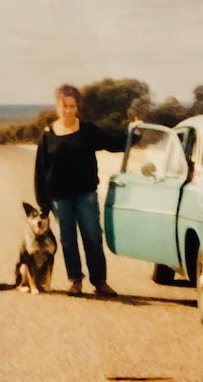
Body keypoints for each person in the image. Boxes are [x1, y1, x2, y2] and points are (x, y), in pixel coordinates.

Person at [34, 84, 136, 297]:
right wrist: (42, 202)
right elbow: (40, 170)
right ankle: (75, 281)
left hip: (85, 195)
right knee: (68, 240)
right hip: (60, 199)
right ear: (57, 106)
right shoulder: (48, 135)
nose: (68, 110)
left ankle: (100, 281)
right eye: (64, 106)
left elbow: (113, 143)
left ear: (77, 107)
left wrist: (134, 134)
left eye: (72, 106)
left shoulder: (88, 131)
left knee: (92, 237)